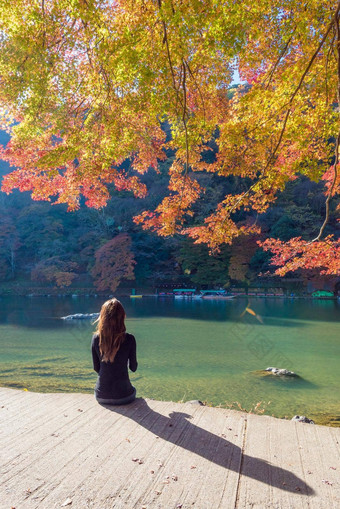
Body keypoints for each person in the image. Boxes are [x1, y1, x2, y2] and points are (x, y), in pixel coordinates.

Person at [91, 298, 138, 405]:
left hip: (101, 396)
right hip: (124, 396)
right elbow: (133, 368)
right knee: (133, 389)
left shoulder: (96, 338)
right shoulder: (129, 339)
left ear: (102, 317)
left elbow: (96, 368)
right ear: (123, 316)